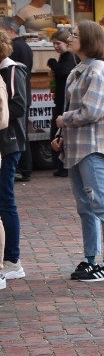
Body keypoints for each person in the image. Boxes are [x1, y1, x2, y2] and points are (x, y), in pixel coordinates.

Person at [52, 21, 104, 282]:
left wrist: (64, 120)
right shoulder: (79, 69)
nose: (70, 37)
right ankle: (91, 258)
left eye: (75, 34)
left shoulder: (98, 70)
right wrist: (61, 135)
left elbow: (92, 111)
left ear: (89, 40)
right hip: (77, 147)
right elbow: (75, 106)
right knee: (86, 207)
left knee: (102, 206)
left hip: (92, 148)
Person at [0, 29, 28, 281]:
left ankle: (12, 259)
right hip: (6, 142)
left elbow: (19, 106)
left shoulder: (11, 70)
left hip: (8, 142)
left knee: (5, 199)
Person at [1, 17, 32, 182]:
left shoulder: (11, 66)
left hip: (10, 128)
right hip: (21, 98)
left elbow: (16, 106)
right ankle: (25, 168)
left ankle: (24, 169)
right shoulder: (25, 46)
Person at [47, 30, 76, 177]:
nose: (56, 46)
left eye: (58, 43)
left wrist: (52, 64)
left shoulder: (69, 57)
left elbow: (64, 72)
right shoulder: (65, 57)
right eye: (54, 44)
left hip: (64, 102)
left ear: (67, 43)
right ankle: (61, 164)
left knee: (59, 131)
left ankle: (63, 165)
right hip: (60, 100)